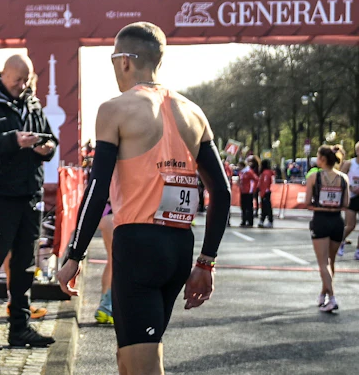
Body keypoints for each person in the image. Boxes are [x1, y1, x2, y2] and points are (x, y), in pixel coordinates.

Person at [59, 22, 231, 375]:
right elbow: (222, 192)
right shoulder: (194, 112)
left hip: (138, 245)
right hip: (179, 247)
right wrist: (207, 262)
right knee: (128, 356)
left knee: (144, 364)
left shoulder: (116, 109)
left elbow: (97, 188)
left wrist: (75, 255)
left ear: (124, 61)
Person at [0, 53, 56, 353]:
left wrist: (47, 147)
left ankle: (20, 327)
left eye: (27, 79)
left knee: (25, 267)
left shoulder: (32, 102)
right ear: (4, 75)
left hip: (29, 195)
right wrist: (12, 140)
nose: (23, 85)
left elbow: (51, 138)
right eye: (18, 79)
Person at [307, 145, 348, 312]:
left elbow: (307, 203)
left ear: (322, 159)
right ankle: (323, 294)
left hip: (321, 221)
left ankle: (332, 297)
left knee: (323, 263)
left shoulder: (314, 177)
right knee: (331, 262)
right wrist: (333, 207)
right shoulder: (343, 178)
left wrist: (322, 207)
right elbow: (346, 204)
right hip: (338, 221)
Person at [341, 143, 359, 257]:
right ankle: (339, 242)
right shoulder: (349, 163)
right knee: (350, 225)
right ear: (357, 152)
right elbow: (340, 178)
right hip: (351, 196)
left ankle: (358, 250)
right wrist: (351, 187)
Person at [238, 157, 258, 228]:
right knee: (243, 207)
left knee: (249, 207)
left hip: (248, 192)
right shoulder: (241, 173)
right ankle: (244, 220)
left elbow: (256, 179)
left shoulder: (249, 172)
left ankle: (250, 221)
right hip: (243, 191)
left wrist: (252, 189)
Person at [258, 159, 275, 228]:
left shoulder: (265, 173)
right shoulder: (267, 172)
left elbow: (265, 183)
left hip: (265, 192)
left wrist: (262, 193)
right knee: (265, 207)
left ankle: (268, 221)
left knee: (266, 207)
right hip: (265, 192)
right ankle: (263, 220)